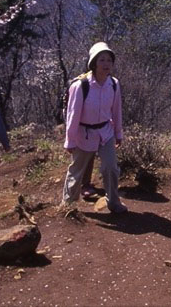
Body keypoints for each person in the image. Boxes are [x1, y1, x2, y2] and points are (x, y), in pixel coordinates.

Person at [61, 42, 127, 213]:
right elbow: (73, 115)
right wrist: (70, 140)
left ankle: (113, 202)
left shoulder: (113, 84)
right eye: (102, 60)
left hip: (106, 131)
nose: (106, 64)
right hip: (84, 133)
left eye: (109, 61)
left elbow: (116, 109)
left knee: (110, 167)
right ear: (94, 63)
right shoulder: (81, 86)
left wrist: (118, 133)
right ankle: (68, 206)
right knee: (76, 171)